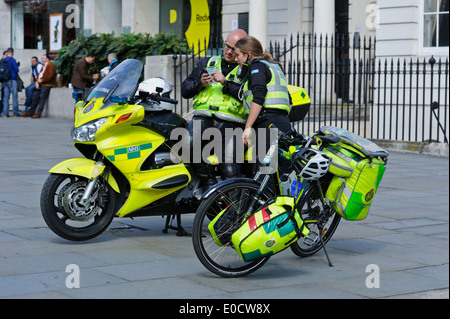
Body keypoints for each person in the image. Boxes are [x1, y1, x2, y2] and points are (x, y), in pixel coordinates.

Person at [181, 29, 248, 185]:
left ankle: (235, 208)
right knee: (187, 145)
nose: (229, 52)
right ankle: (211, 186)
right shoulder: (207, 63)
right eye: (227, 46)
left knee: (230, 169)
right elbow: (185, 90)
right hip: (203, 119)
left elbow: (249, 95)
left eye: (234, 49)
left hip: (232, 123)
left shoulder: (246, 70)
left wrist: (226, 83)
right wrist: (199, 83)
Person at [234, 36, 291, 173]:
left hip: (267, 122)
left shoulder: (257, 66)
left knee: (263, 173)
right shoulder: (274, 67)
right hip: (282, 123)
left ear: (248, 55)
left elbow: (259, 96)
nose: (236, 59)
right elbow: (289, 102)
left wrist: (248, 127)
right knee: (280, 173)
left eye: (237, 55)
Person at [22, 54, 56, 118]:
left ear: (47, 59)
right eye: (42, 58)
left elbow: (49, 76)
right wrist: (37, 82)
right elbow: (39, 75)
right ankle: (30, 112)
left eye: (43, 58)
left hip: (47, 84)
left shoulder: (50, 65)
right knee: (35, 97)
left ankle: (38, 113)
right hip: (41, 84)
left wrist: (41, 81)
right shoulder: (44, 66)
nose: (42, 60)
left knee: (42, 98)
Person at [2, 48, 20, 118]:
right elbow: (16, 70)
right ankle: (15, 113)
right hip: (12, 80)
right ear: (13, 52)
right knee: (14, 96)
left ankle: (5, 114)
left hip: (5, 80)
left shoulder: (3, 60)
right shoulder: (12, 60)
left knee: (6, 97)